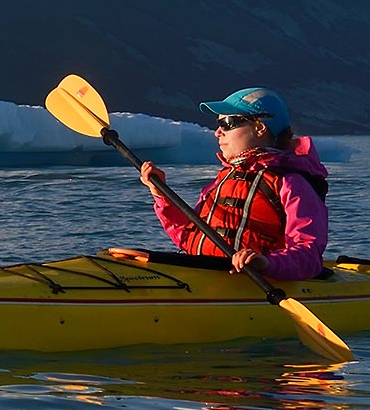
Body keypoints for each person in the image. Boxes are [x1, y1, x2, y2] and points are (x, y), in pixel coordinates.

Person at [137, 87, 329, 280]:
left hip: (253, 283)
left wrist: (266, 263)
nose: (217, 132)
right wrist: (161, 195)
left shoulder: (291, 183)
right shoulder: (223, 179)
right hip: (205, 276)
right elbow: (187, 238)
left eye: (228, 123)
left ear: (260, 128)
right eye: (218, 124)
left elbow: (308, 255)